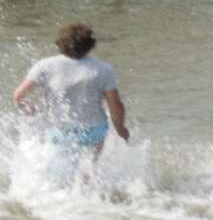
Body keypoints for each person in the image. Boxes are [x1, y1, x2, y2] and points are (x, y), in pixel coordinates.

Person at [13, 22, 130, 172]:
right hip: (94, 131)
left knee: (60, 177)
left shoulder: (45, 66)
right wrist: (121, 129)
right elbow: (116, 106)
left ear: (59, 44)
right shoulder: (104, 69)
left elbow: (18, 95)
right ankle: (90, 184)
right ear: (91, 45)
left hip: (61, 131)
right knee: (90, 172)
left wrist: (27, 108)